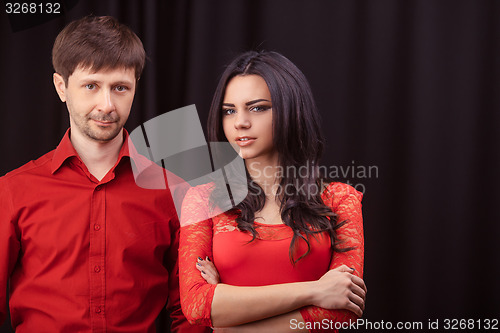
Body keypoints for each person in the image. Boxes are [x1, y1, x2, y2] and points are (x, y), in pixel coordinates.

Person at [0, 15, 207, 332]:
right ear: (61, 87)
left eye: (120, 87)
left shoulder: (174, 192)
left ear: (135, 89)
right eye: (91, 86)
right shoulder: (13, 191)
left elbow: (188, 314)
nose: (106, 104)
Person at [179, 50, 366, 332]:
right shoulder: (202, 199)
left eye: (257, 107)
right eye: (229, 111)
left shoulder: (340, 199)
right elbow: (196, 305)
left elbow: (341, 312)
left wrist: (229, 323)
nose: (239, 122)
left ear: (292, 109)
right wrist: (314, 291)